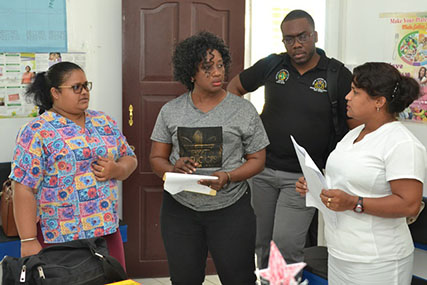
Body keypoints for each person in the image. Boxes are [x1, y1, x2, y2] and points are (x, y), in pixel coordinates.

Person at [227, 9, 357, 269]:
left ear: (315, 35)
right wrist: (248, 126)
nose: (296, 44)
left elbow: (353, 128)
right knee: (262, 243)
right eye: (289, 39)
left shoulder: (336, 74)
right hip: (261, 170)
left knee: (285, 245)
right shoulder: (273, 65)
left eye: (302, 36)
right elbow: (234, 89)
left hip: (302, 179)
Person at [149, 31, 269, 285]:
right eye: (207, 68)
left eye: (220, 65)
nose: (217, 73)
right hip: (180, 210)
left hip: (231, 209)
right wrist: (173, 167)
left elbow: (258, 159)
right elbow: (156, 158)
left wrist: (228, 176)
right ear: (191, 74)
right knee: (184, 279)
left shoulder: (242, 110)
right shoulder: (171, 111)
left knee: (239, 279)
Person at [296, 62, 426, 284]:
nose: (347, 97)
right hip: (341, 253)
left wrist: (354, 202)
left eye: (355, 92)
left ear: (379, 102)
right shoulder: (354, 134)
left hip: (378, 260)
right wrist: (316, 185)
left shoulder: (401, 143)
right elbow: (348, 181)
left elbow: (409, 204)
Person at [10, 62, 137, 270]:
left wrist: (117, 169)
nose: (84, 92)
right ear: (55, 93)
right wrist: (28, 240)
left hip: (106, 231)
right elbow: (23, 187)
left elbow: (129, 158)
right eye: (76, 87)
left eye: (86, 85)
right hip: (59, 237)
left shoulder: (103, 122)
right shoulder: (36, 131)